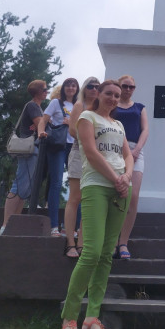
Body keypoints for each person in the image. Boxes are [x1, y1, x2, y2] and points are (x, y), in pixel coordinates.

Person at [60, 80, 133, 329]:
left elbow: (128, 155)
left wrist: (127, 177)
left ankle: (92, 317)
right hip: (97, 185)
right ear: (98, 94)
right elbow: (90, 152)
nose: (113, 98)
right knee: (90, 253)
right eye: (109, 93)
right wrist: (116, 178)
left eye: (117, 95)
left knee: (105, 255)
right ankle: (69, 318)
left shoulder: (118, 124)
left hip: (121, 188)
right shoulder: (87, 118)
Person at [0, 80, 48, 234]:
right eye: (45, 89)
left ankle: (13, 223)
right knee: (19, 185)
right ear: (38, 91)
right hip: (29, 149)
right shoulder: (32, 106)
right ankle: (5, 225)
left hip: (32, 149)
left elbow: (39, 124)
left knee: (24, 188)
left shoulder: (37, 107)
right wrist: (45, 122)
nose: (47, 92)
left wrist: (42, 122)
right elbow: (41, 125)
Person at [63, 76, 101, 257]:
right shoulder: (80, 105)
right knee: (75, 198)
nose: (94, 90)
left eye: (97, 87)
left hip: (96, 155)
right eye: (91, 86)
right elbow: (72, 130)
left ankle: (82, 242)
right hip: (79, 152)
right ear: (85, 88)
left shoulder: (100, 108)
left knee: (88, 199)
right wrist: (88, 139)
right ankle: (70, 242)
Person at [113, 74, 149, 260]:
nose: (128, 89)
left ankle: (123, 242)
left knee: (132, 196)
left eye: (131, 87)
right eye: (125, 86)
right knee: (115, 194)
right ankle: (112, 241)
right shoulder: (112, 105)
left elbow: (145, 129)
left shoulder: (139, 107)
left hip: (135, 150)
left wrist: (136, 150)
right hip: (114, 149)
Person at [38, 78, 79, 236]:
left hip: (74, 146)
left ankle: (74, 227)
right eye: (68, 85)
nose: (70, 88)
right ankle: (54, 226)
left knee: (77, 185)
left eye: (73, 85)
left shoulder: (79, 106)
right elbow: (43, 120)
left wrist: (71, 124)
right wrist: (41, 132)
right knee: (56, 183)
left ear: (77, 89)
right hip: (58, 145)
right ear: (64, 88)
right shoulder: (56, 103)